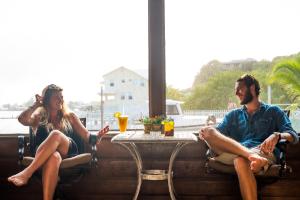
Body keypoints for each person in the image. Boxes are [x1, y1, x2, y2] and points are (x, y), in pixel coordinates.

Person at [199, 74, 298, 200]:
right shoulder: (233, 115)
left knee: (241, 161)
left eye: (239, 89)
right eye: (235, 90)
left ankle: (255, 157)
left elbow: (293, 135)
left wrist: (277, 135)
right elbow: (217, 134)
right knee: (208, 131)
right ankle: (254, 158)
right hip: (235, 153)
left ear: (252, 88)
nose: (236, 93)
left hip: (262, 152)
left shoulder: (273, 111)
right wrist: (205, 133)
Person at [7, 84, 109, 200]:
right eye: (57, 97)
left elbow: (89, 138)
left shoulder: (70, 116)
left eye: (61, 97)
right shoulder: (38, 117)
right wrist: (36, 105)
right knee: (54, 157)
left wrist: (98, 137)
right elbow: (22, 119)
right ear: (47, 100)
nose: (61, 100)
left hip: (67, 151)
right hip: (43, 155)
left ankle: (27, 172)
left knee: (55, 134)